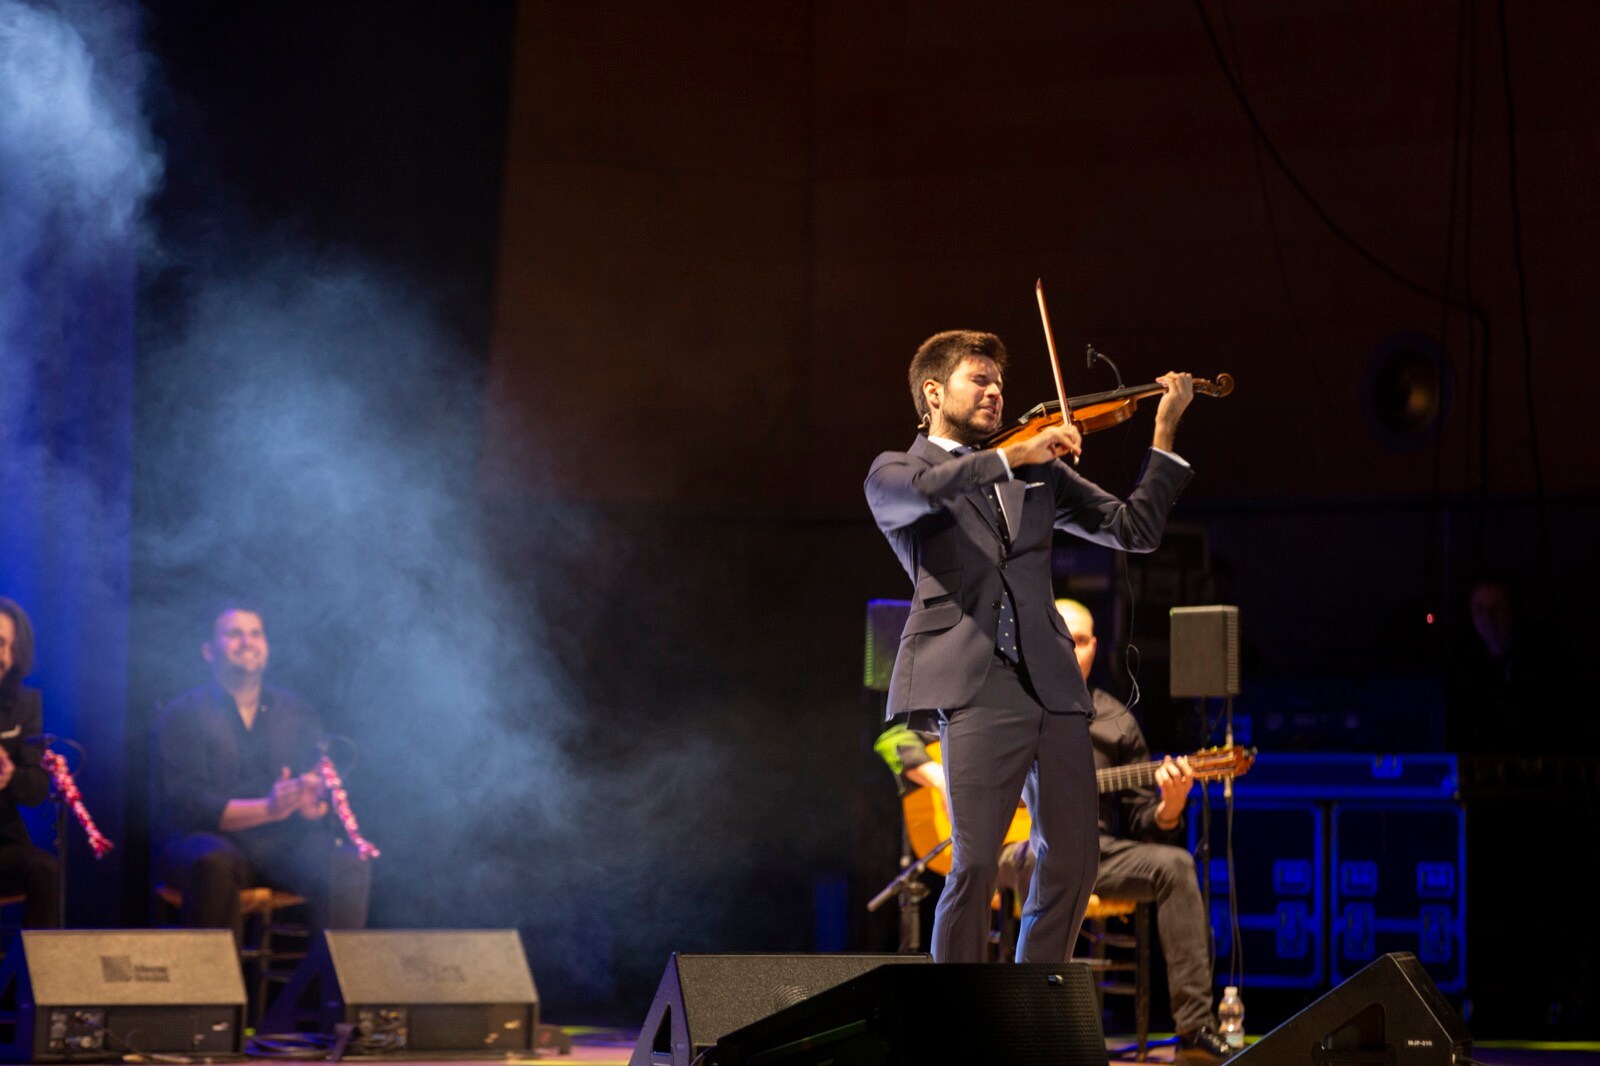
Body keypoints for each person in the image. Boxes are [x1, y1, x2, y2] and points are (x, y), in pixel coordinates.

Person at [864, 329, 1193, 968]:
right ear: (933, 392)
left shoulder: (1036, 473)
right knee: (978, 860)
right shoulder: (898, 472)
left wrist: (1163, 434)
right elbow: (935, 490)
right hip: (975, 685)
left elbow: (1135, 529)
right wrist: (1016, 457)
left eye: (999, 383)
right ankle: (960, 1020)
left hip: (1054, 685)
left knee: (1074, 859)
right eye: (978, 381)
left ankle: (1027, 1003)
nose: (995, 393)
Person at [875, 598, 1233, 1063]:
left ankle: (1193, 1026)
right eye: (1059, 639)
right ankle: (1016, 1020)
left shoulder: (1116, 720)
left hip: (1097, 849)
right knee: (1041, 855)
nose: (1068, 650)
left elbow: (1148, 825)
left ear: (1092, 648)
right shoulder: (997, 704)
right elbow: (893, 738)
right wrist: (945, 778)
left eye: (1079, 641)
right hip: (1013, 845)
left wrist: (1171, 805)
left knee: (1176, 864)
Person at [153, 602, 370, 943]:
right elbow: (192, 804)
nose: (248, 642)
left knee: (347, 863)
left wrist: (312, 805)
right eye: (234, 634)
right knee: (213, 863)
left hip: (277, 844)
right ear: (208, 651)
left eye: (256, 633)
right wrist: (269, 808)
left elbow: (311, 793)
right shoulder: (184, 713)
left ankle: (326, 993)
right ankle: (217, 995)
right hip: (203, 840)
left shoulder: (296, 710)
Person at [0, 597, 60, 928]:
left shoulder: (26, 702)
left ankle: (35, 979)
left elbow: (37, 789)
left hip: (4, 843)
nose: (1, 654)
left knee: (44, 870)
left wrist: (10, 777)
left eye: (6, 646)